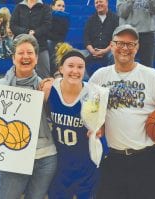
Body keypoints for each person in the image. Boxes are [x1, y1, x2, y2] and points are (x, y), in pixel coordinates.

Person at [88, 24, 155, 199]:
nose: (125, 48)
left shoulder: (152, 76)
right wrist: (98, 126)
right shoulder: (99, 76)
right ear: (111, 45)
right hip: (114, 158)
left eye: (131, 44)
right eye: (120, 43)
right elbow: (93, 112)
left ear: (137, 48)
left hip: (147, 159)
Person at [0, 34, 57, 199]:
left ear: (37, 58)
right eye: (20, 53)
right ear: (13, 58)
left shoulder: (47, 87)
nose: (25, 57)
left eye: (30, 53)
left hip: (45, 157)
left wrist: (54, 91)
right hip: (14, 157)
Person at [40, 46, 102, 199]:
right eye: (71, 66)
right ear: (61, 68)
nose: (75, 70)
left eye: (80, 67)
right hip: (60, 163)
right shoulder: (49, 89)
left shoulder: (94, 94)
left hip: (86, 162)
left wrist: (100, 130)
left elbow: (103, 124)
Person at [10, 0, 52, 79]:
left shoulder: (45, 7)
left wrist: (35, 33)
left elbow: (47, 25)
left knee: (44, 77)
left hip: (41, 47)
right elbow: (13, 25)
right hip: (21, 46)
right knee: (18, 75)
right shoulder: (19, 7)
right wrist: (26, 32)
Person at [116, 0, 155, 67]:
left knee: (147, 67)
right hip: (128, 33)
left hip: (147, 33)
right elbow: (121, 13)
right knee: (126, 65)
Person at [83, 0, 119, 77]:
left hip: (109, 50)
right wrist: (92, 51)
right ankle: (86, 82)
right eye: (96, 2)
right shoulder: (90, 19)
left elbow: (116, 39)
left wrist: (105, 51)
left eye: (101, 1)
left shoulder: (115, 19)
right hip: (92, 50)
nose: (98, 4)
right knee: (78, 56)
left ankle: (112, 78)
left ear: (107, 3)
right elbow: (86, 38)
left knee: (114, 54)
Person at [47, 0, 70, 76]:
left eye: (63, 6)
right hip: (49, 42)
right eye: (59, 5)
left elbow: (62, 35)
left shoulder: (66, 18)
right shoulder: (48, 16)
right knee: (49, 43)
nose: (61, 8)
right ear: (53, 7)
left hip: (59, 42)